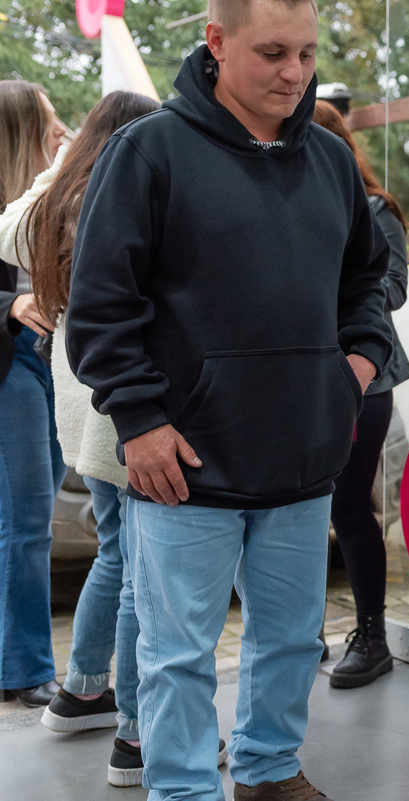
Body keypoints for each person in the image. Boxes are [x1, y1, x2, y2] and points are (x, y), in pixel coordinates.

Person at [65, 0, 393, 798]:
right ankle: (181, 788)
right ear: (216, 43)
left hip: (303, 454)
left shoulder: (329, 159)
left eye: (308, 53)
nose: (296, 72)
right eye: (274, 52)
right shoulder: (148, 152)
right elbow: (101, 303)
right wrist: (138, 419)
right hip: (183, 461)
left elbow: (367, 281)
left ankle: (269, 769)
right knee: (177, 654)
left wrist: (355, 365)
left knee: (288, 639)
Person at [17, 90, 227, 788]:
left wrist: (56, 164)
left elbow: (6, 227)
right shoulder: (123, 197)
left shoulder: (54, 204)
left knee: (118, 552)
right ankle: (138, 734)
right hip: (123, 408)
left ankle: (81, 689)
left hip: (81, 401)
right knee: (144, 570)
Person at [310, 99, 409, 689]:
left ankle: (372, 636)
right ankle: (304, 633)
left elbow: (391, 288)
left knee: (349, 507)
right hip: (298, 383)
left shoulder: (376, 209)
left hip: (364, 379)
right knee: (299, 512)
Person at [0, 78, 68, 709]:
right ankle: (25, 670)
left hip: (49, 362)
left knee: (29, 521)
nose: (59, 128)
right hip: (10, 364)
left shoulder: (44, 201)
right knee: (26, 527)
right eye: (49, 118)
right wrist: (12, 302)